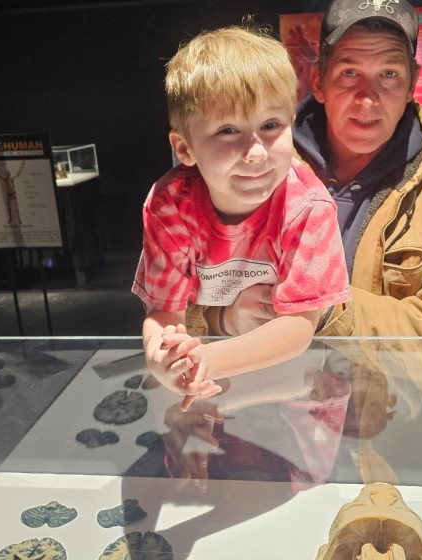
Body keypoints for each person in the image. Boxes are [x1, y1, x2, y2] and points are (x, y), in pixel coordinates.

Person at [188, 0, 422, 342]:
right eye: (349, 73)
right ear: (318, 81)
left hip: (374, 380)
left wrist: (327, 307)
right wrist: (223, 318)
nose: (367, 98)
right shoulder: (246, 170)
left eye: (389, 74)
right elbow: (169, 295)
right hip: (260, 376)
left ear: (412, 85)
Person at [132, 26, 351, 409]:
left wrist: (209, 360)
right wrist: (162, 356)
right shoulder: (170, 205)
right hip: (212, 385)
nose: (256, 152)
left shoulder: (306, 205)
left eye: (270, 126)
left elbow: (300, 326)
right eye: (228, 130)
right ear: (184, 147)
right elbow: (164, 310)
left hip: (299, 383)